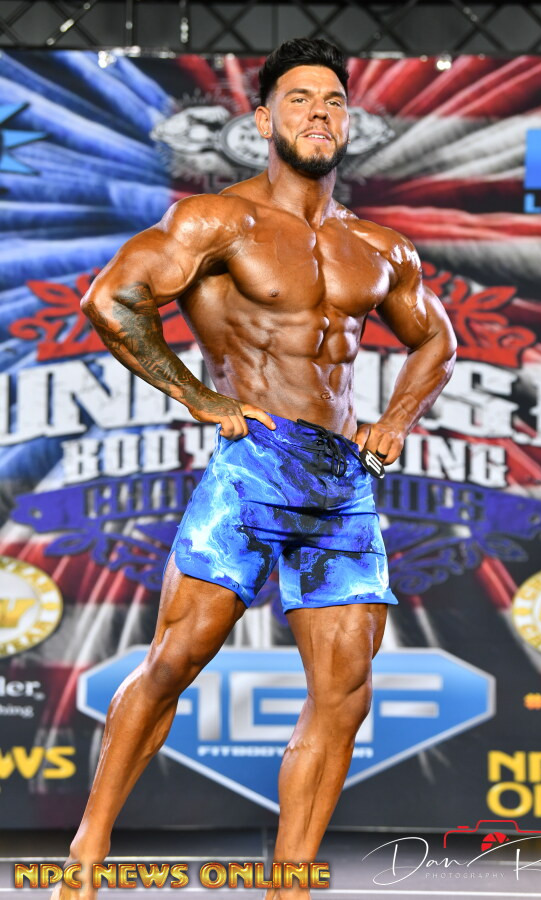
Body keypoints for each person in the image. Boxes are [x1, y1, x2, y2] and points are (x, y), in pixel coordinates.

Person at [52, 37, 456, 900]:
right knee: (175, 659)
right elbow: (111, 298)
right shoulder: (218, 221)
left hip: (341, 481)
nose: (320, 113)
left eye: (334, 101)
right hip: (252, 468)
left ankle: (289, 883)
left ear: (349, 123)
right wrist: (197, 395)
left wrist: (394, 419)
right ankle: (86, 852)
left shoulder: (378, 246)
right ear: (265, 119)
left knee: (345, 694)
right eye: (301, 100)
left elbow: (438, 340)